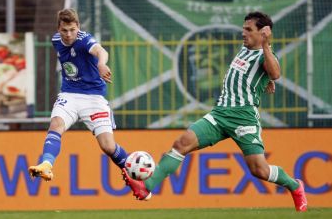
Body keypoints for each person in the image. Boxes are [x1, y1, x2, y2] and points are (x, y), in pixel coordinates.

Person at [122, 11, 308, 212]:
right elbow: (257, 75)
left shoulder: (264, 53)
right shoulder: (244, 49)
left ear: (263, 33)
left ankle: (295, 186)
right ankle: (146, 188)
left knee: (259, 170)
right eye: (243, 29)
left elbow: (276, 72)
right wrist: (266, 80)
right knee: (181, 144)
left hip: (243, 118)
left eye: (248, 30)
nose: (243, 33)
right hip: (219, 115)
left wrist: (267, 57)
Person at [28, 8, 128, 181]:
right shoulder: (56, 40)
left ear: (78, 27)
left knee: (108, 147)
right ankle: (46, 165)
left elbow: (100, 51)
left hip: (94, 98)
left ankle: (133, 172)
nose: (68, 34)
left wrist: (102, 64)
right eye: (64, 30)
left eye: (72, 30)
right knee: (56, 124)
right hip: (70, 94)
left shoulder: (85, 39)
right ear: (58, 29)